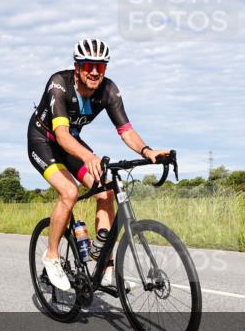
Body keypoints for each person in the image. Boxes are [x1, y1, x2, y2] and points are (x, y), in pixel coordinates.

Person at [27, 39, 168, 291]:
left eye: (100, 66)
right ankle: (51, 256)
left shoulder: (109, 90)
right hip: (44, 140)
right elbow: (61, 135)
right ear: (77, 67)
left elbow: (126, 131)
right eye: (88, 65)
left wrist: (147, 151)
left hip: (72, 142)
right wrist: (89, 157)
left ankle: (105, 268)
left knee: (106, 192)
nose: (94, 72)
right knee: (69, 192)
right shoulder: (59, 83)